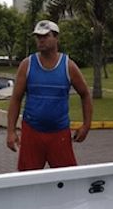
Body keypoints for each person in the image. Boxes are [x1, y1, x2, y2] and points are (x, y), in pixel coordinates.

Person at [7, 20, 93, 171]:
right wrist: (11, 131)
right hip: (32, 132)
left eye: (45, 36)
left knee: (66, 181)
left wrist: (86, 126)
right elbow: (16, 99)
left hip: (59, 133)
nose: (41, 40)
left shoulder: (68, 66)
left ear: (56, 38)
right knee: (28, 181)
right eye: (38, 37)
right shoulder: (27, 65)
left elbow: (85, 94)